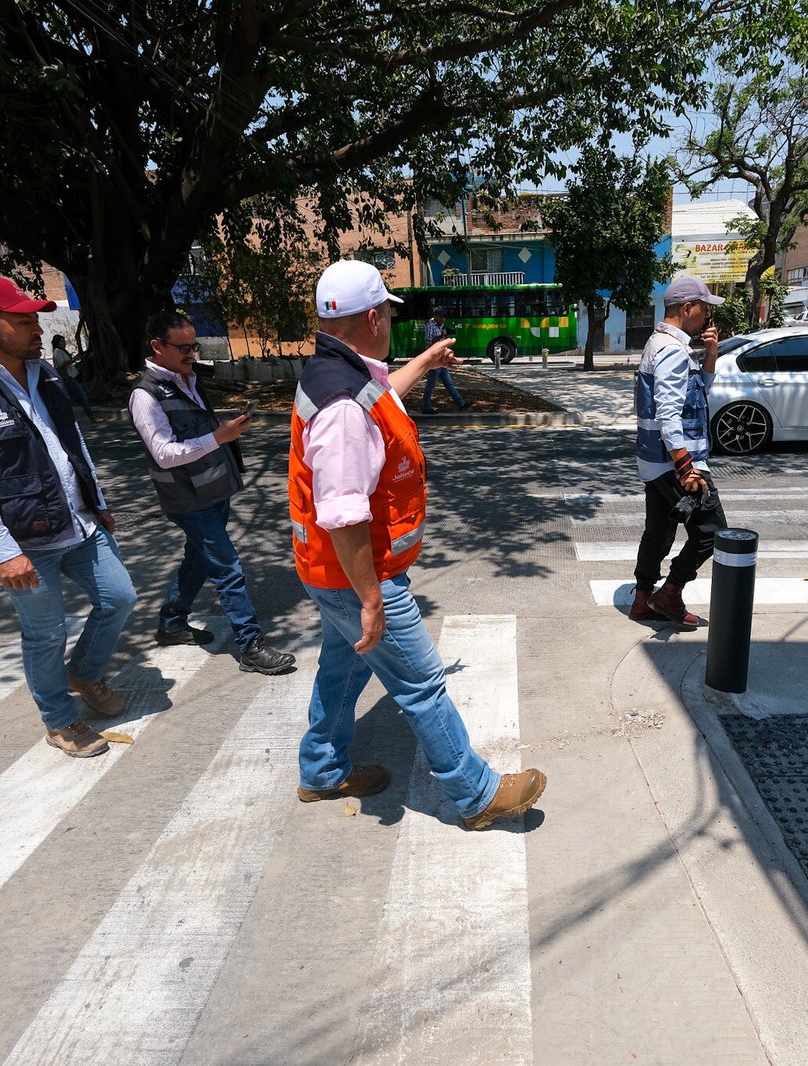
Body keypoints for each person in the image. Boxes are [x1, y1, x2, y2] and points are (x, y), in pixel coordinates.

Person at [289, 260, 546, 830]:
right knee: (422, 682)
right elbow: (343, 512)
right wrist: (371, 597)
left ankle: (322, 769)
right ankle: (475, 794)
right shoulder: (341, 405)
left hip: (332, 572)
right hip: (357, 573)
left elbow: (381, 399)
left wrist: (425, 362)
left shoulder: (339, 374)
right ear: (375, 316)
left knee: (343, 668)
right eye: (388, 312)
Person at [0, 277, 136, 759]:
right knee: (45, 632)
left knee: (120, 597)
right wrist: (2, 551)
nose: (36, 328)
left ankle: (83, 671)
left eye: (35, 318)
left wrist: (96, 499)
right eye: (22, 321)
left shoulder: (45, 373)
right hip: (21, 539)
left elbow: (71, 442)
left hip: (76, 521)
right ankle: (60, 721)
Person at [129, 308, 296, 674]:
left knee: (198, 559)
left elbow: (195, 434)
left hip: (213, 489)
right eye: (183, 348)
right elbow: (163, 452)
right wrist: (217, 437)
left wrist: (224, 432)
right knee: (227, 566)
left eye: (194, 345)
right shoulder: (146, 395)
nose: (193, 354)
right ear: (157, 346)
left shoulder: (184, 379)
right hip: (187, 497)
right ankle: (250, 644)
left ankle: (172, 622)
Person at [630, 274, 729, 629]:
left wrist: (711, 355)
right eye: (704, 309)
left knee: (658, 530)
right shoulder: (672, 350)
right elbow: (669, 413)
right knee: (711, 529)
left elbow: (697, 390)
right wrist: (687, 468)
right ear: (687, 308)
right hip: (676, 459)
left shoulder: (661, 343)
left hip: (654, 459)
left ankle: (642, 599)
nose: (707, 317)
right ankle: (669, 592)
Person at [420, 308, 468, 414]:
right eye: (441, 316)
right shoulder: (430, 326)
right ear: (435, 315)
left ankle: (461, 403)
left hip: (441, 358)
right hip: (434, 359)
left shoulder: (438, 326)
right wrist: (442, 336)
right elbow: (429, 342)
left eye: (444, 317)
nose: (443, 319)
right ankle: (426, 407)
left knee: (448, 383)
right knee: (431, 384)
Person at [51, 333, 100, 422]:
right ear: (57, 343)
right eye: (62, 342)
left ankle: (67, 418)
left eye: (64, 341)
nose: (64, 343)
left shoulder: (62, 352)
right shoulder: (57, 352)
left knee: (71, 399)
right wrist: (73, 359)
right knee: (82, 397)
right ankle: (92, 417)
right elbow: (62, 364)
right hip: (68, 379)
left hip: (71, 377)